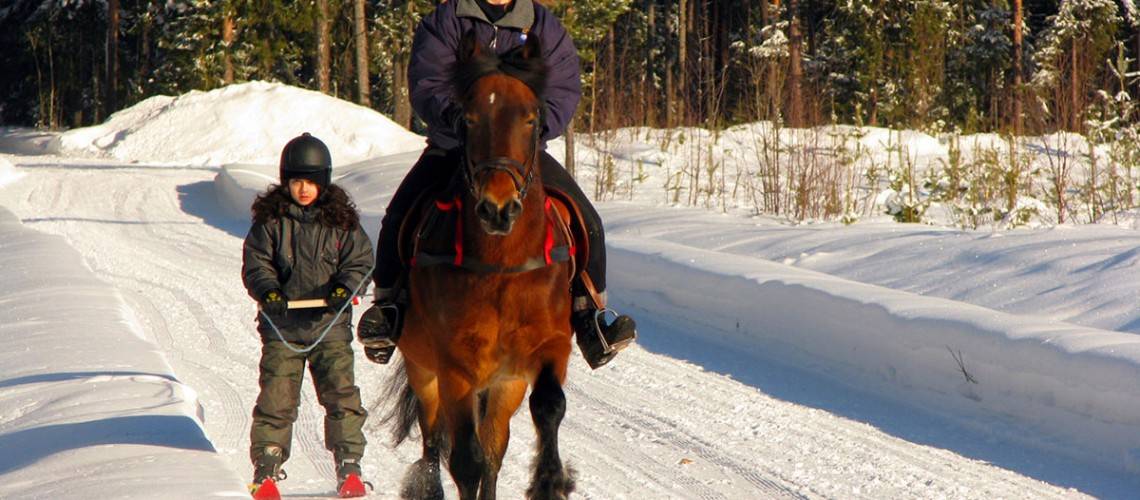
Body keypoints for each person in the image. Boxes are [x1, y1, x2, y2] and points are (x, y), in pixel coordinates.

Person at [356, 0, 636, 369]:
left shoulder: (542, 25)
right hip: (455, 144)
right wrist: (461, 120)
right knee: (399, 215)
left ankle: (590, 318)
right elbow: (427, 81)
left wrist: (533, 125)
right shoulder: (447, 19)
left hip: (519, 153)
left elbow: (564, 88)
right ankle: (388, 309)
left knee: (588, 221)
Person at [241, 133, 373, 494]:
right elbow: (257, 263)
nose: (303, 189)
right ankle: (266, 468)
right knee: (276, 399)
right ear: (286, 181)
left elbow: (360, 261)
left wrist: (345, 288)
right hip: (283, 329)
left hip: (329, 327)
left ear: (323, 182)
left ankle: (350, 466)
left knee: (341, 396)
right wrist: (268, 291)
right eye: (297, 181)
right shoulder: (271, 222)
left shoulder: (341, 222)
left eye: (311, 182)